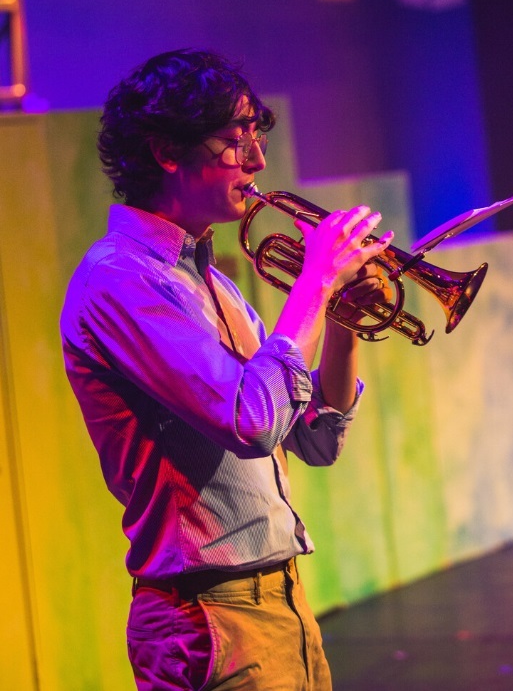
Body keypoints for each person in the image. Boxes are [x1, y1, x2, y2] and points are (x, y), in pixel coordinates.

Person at [60, 49, 393, 691]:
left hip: (282, 605)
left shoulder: (211, 282)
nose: (260, 161)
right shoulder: (120, 279)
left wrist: (344, 320)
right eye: (236, 140)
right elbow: (252, 421)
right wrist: (316, 282)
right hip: (208, 616)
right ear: (166, 151)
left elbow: (316, 440)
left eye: (257, 137)